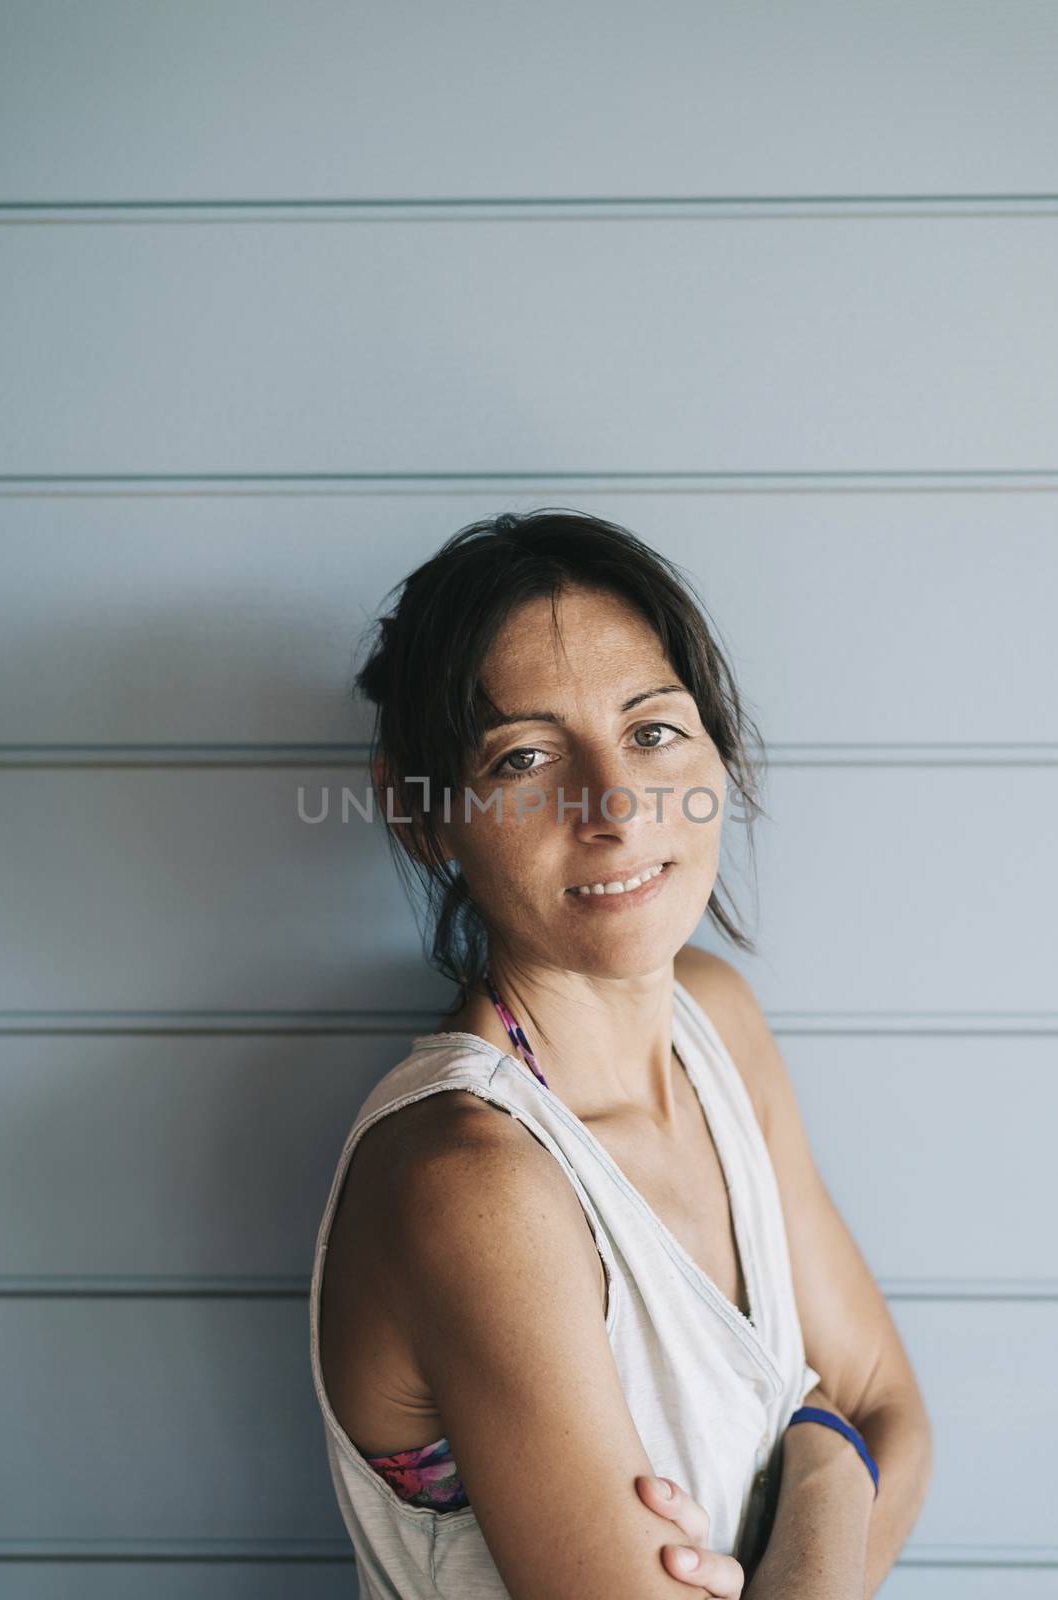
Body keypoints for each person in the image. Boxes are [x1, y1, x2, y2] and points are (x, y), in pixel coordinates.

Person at [309, 509, 932, 1599]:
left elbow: (891, 1405)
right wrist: (830, 1453)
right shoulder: (474, 1181)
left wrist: (829, 1456)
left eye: (651, 730)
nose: (615, 805)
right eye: (527, 756)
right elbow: (862, 1417)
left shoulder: (717, 1021)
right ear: (422, 818)